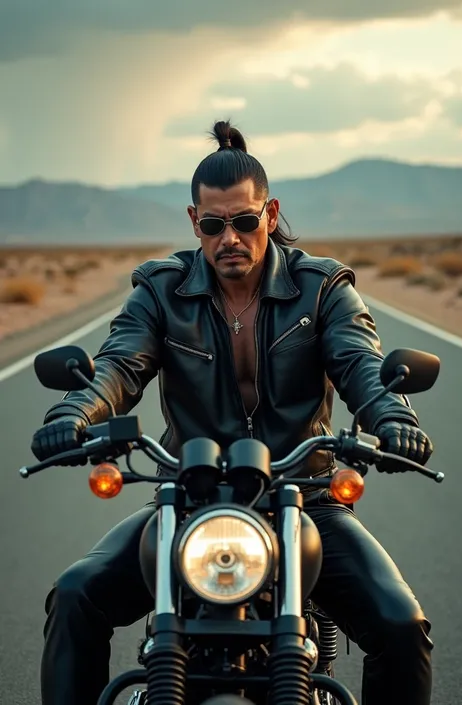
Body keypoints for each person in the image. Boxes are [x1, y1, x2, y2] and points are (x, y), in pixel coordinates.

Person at [31, 120, 434, 705]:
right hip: (187, 498)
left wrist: (393, 418)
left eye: (245, 221)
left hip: (305, 499)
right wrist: (74, 412)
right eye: (215, 224)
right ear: (195, 222)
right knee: (74, 595)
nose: (230, 238)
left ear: (269, 214)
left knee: (401, 625)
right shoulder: (160, 291)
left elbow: (361, 364)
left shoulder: (321, 289)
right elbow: (118, 364)